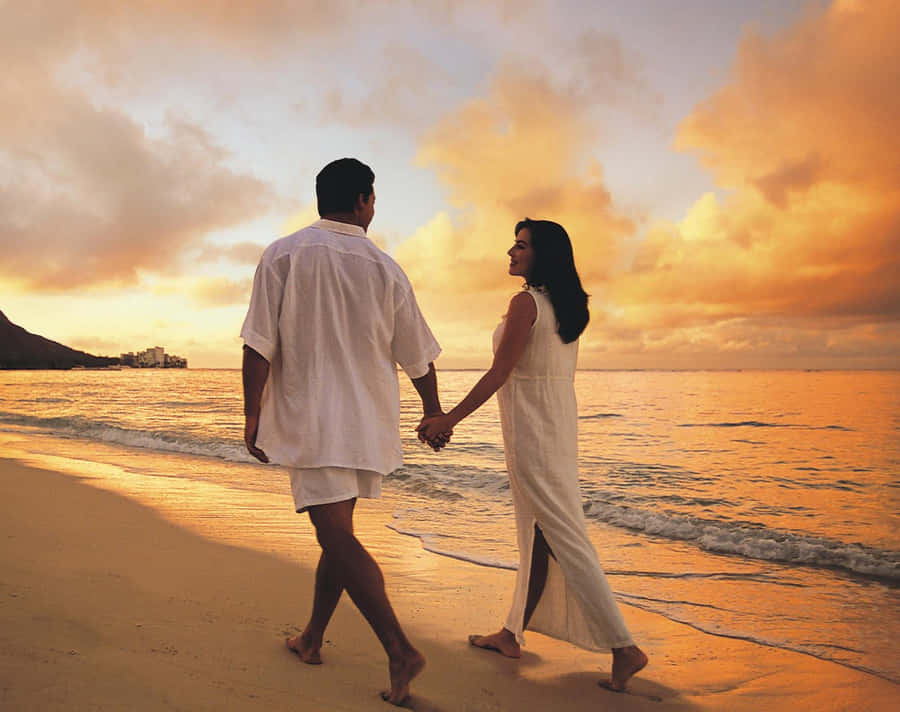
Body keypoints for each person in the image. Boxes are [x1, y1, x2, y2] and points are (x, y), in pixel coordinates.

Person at [241, 157, 446, 705]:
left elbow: (258, 342)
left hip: (313, 419)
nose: (374, 208)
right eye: (373, 199)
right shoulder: (387, 268)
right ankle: (311, 638)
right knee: (337, 532)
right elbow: (418, 354)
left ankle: (401, 650)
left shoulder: (282, 253)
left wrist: (252, 413)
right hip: (367, 423)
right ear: (361, 201)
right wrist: (433, 412)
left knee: (335, 534)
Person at [417, 218, 648, 692]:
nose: (511, 251)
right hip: (555, 428)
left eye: (521, 245)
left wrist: (448, 420)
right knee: (539, 534)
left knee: (563, 535)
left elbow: (500, 372)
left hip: (534, 434)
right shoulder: (564, 306)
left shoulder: (525, 303)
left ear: (544, 254)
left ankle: (624, 647)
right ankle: (512, 632)